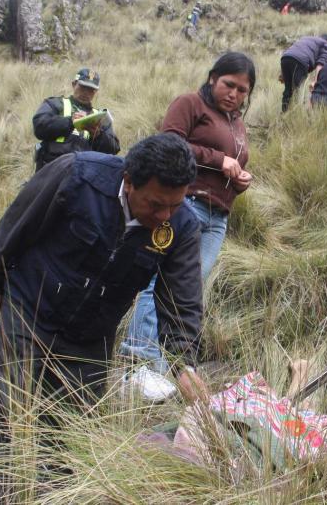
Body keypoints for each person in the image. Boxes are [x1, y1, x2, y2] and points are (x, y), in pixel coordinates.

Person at [0, 133, 208, 504]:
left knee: (68, 435)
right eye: (156, 204)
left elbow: (180, 300)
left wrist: (183, 364)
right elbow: (19, 223)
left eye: (174, 205)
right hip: (31, 309)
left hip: (91, 335)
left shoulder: (180, 228)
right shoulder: (77, 175)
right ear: (129, 181)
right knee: (7, 415)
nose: (164, 216)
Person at [120, 52, 255, 401]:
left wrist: (239, 180)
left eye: (242, 90)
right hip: (184, 206)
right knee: (157, 280)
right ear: (213, 78)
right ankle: (139, 361)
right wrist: (218, 160)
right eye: (229, 84)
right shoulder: (190, 103)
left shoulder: (237, 123)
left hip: (217, 216)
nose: (234, 94)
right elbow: (168, 145)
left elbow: (229, 163)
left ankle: (165, 369)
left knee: (187, 287)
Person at [32, 67, 120, 171]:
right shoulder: (55, 104)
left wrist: (98, 136)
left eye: (91, 90)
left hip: (85, 173)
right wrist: (70, 122)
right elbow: (39, 127)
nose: (86, 93)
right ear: (74, 84)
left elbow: (114, 149)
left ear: (95, 92)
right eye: (83, 87)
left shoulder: (100, 117)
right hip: (53, 168)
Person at [280, 33, 327, 112]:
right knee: (300, 92)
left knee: (288, 90)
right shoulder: (326, 45)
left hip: (285, 58)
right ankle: (298, 115)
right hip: (300, 61)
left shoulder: (306, 38)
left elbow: (292, 51)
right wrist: (316, 81)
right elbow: (320, 64)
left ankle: (284, 113)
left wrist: (282, 74)